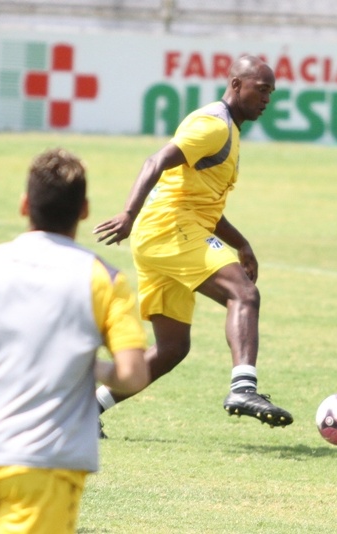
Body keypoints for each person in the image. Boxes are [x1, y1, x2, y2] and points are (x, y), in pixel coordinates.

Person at [0, 148, 149, 534]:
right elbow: (133, 375)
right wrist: (90, 366)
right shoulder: (103, 278)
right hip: (44, 461)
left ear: (24, 205)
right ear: (84, 211)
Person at [93, 55, 293, 434]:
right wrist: (128, 213)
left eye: (271, 92)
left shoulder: (228, 130)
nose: (267, 99)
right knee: (244, 294)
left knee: (172, 348)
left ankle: (88, 407)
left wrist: (242, 244)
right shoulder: (213, 125)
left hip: (162, 233)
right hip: (170, 228)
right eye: (261, 89)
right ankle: (243, 388)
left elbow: (203, 205)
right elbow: (156, 161)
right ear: (236, 84)